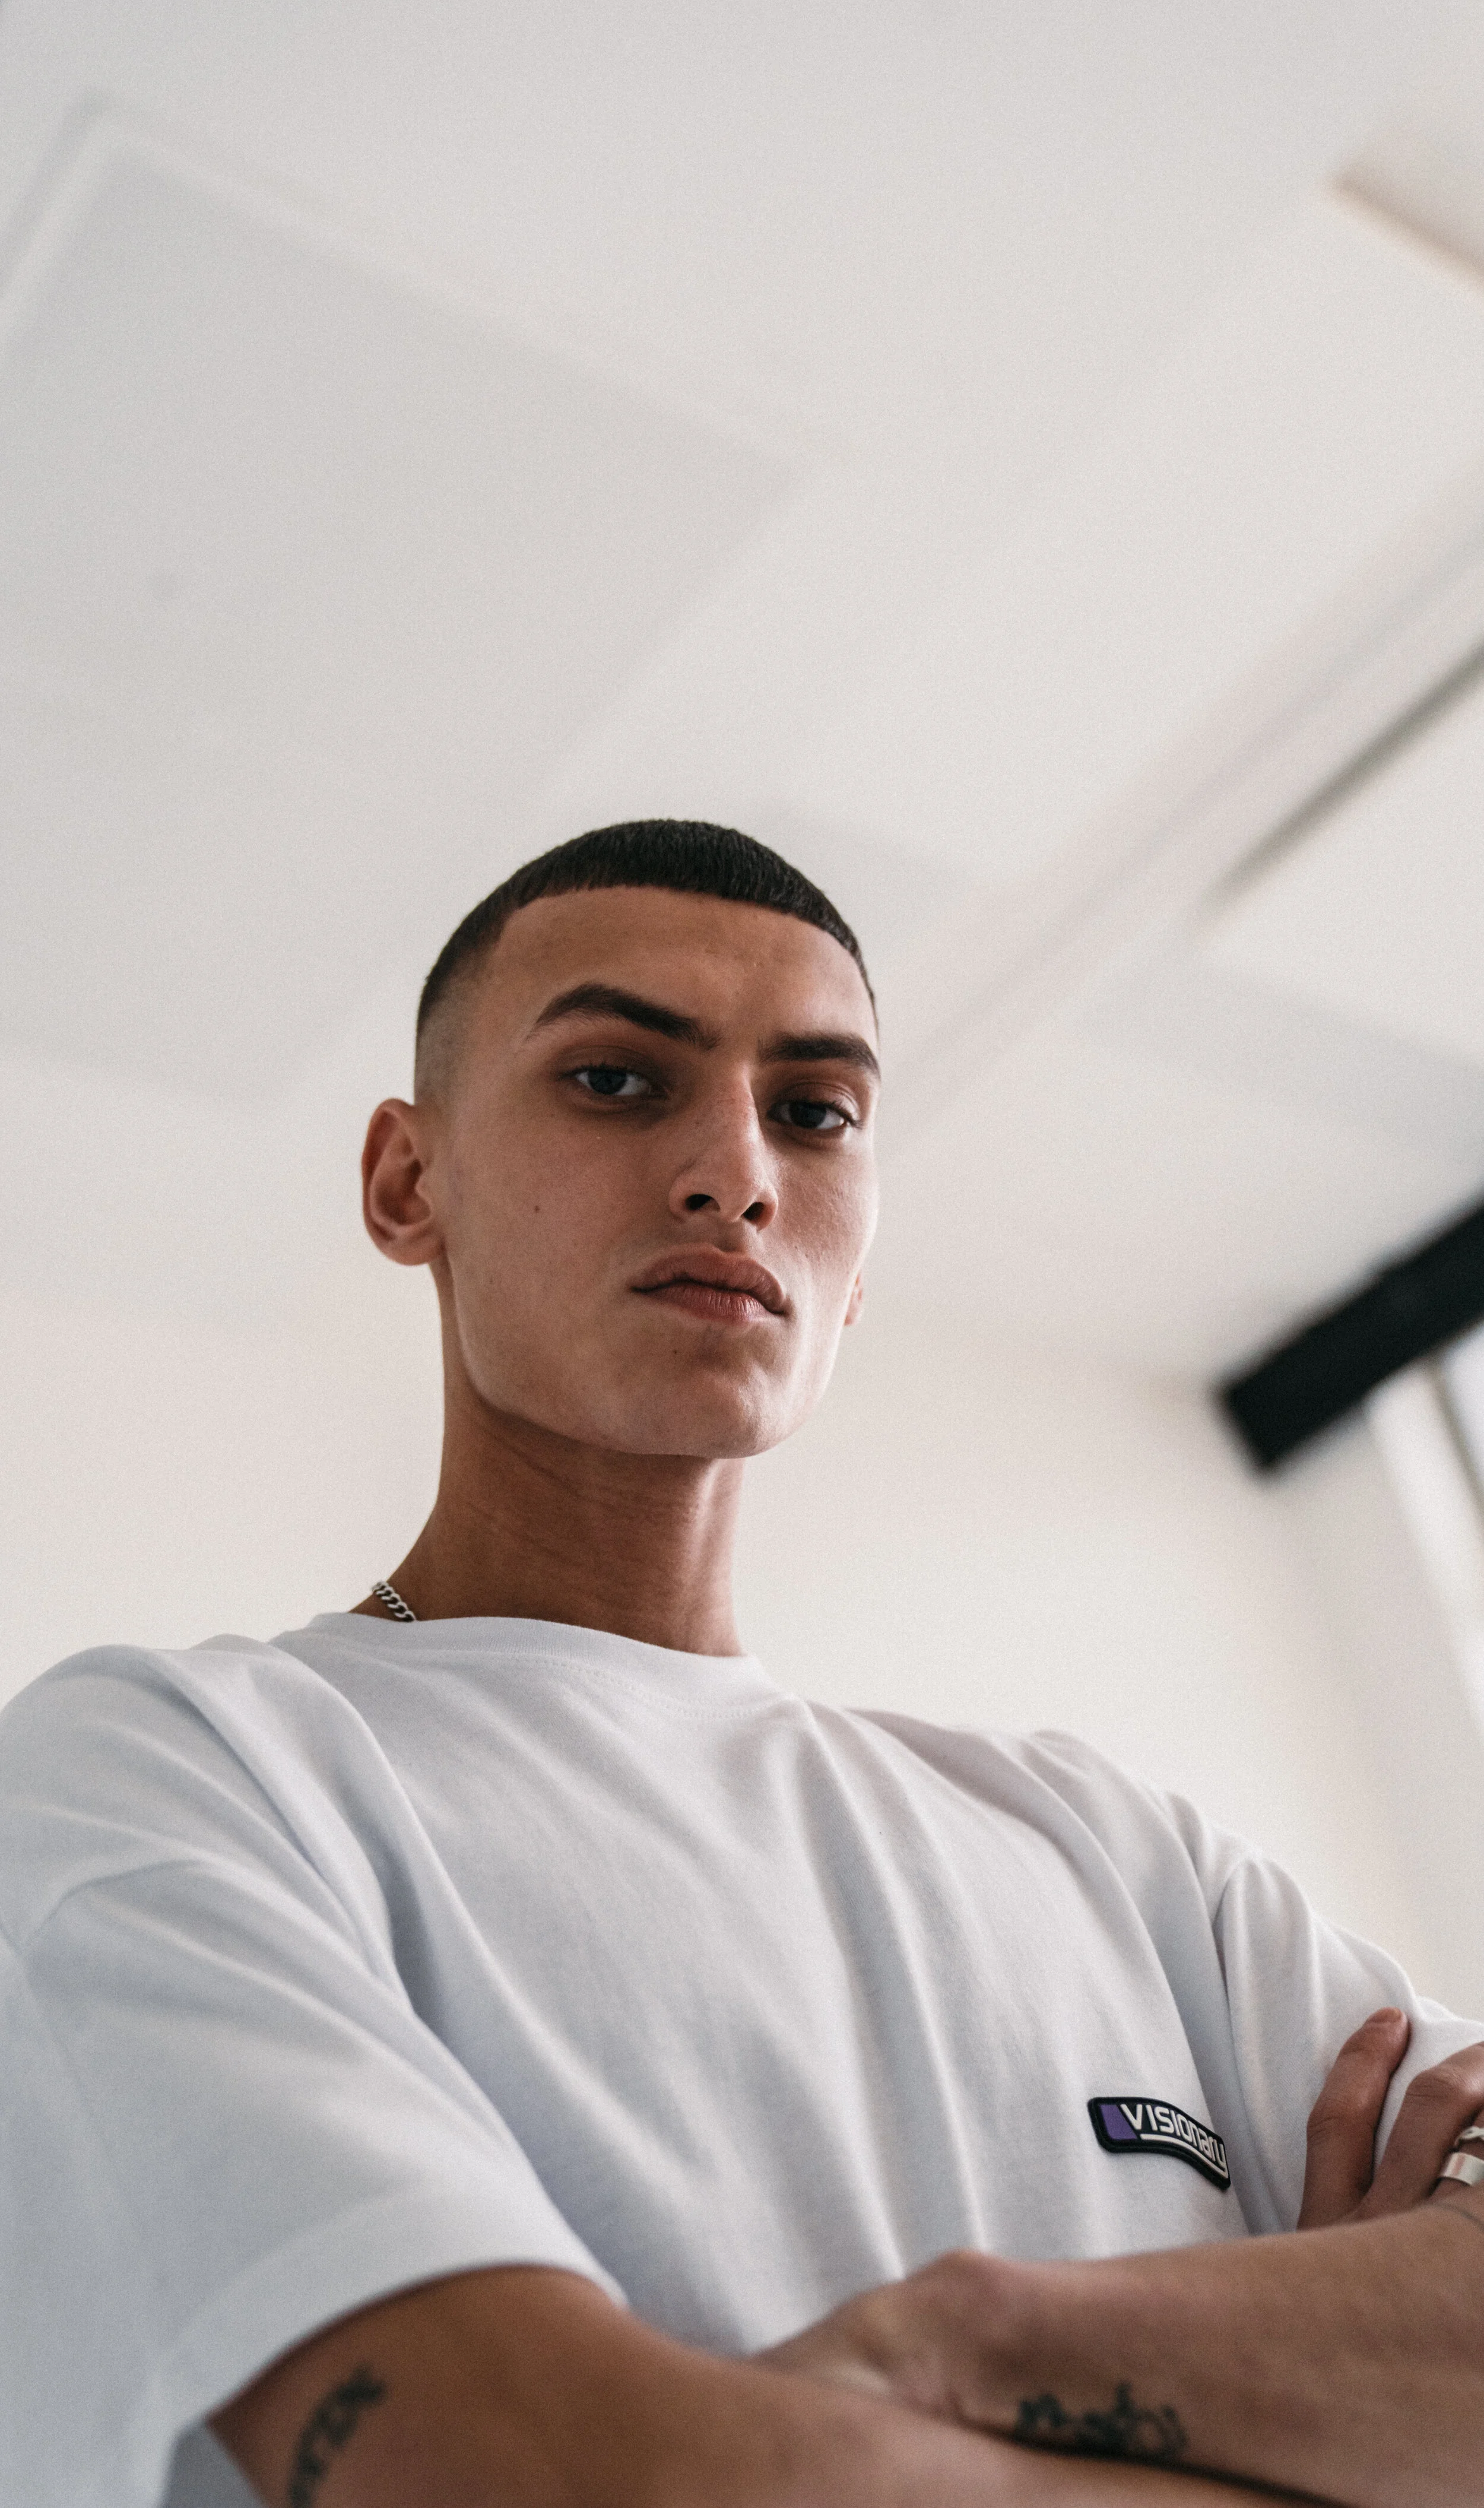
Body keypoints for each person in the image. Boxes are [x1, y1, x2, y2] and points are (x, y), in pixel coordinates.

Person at [3, 820, 1483, 2508]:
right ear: (410, 1184)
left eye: (815, 1111)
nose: (736, 1172)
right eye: (618, 1083)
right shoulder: (175, 1768)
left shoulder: (1123, 1859)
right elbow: (520, 2477)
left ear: (858, 1258)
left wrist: (967, 2342)